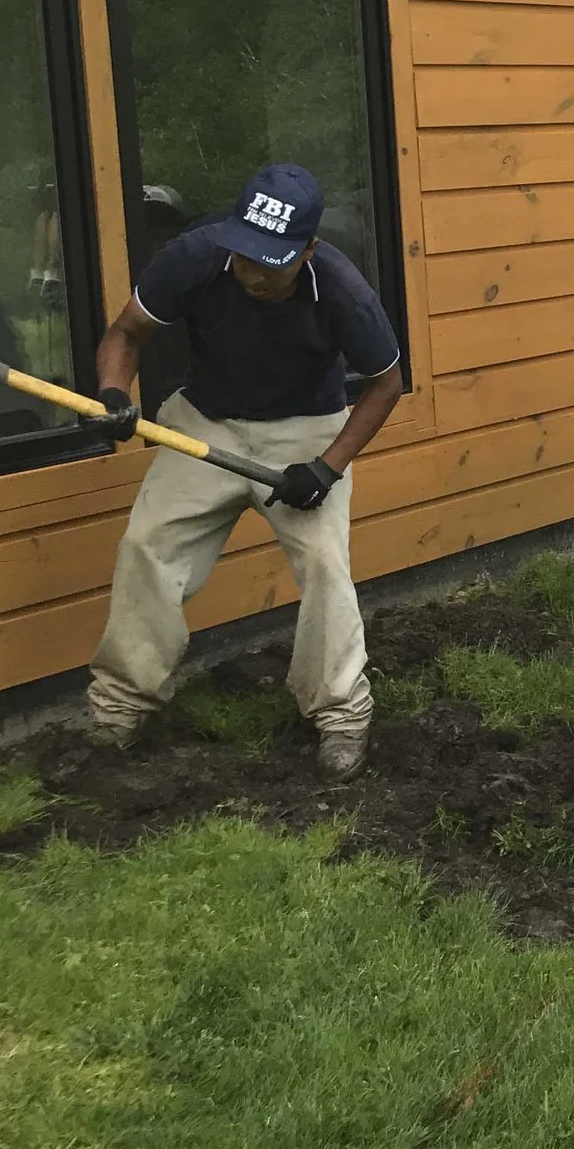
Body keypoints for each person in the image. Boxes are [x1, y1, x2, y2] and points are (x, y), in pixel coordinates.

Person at [84, 165, 405, 778]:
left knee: (326, 568)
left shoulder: (341, 290)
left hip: (304, 429)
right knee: (147, 548)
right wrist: (112, 393)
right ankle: (118, 707)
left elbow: (387, 384)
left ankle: (341, 713)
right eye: (245, 257)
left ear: (307, 250)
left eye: (272, 263)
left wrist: (327, 467)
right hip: (204, 420)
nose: (253, 274)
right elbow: (126, 333)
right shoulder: (195, 259)